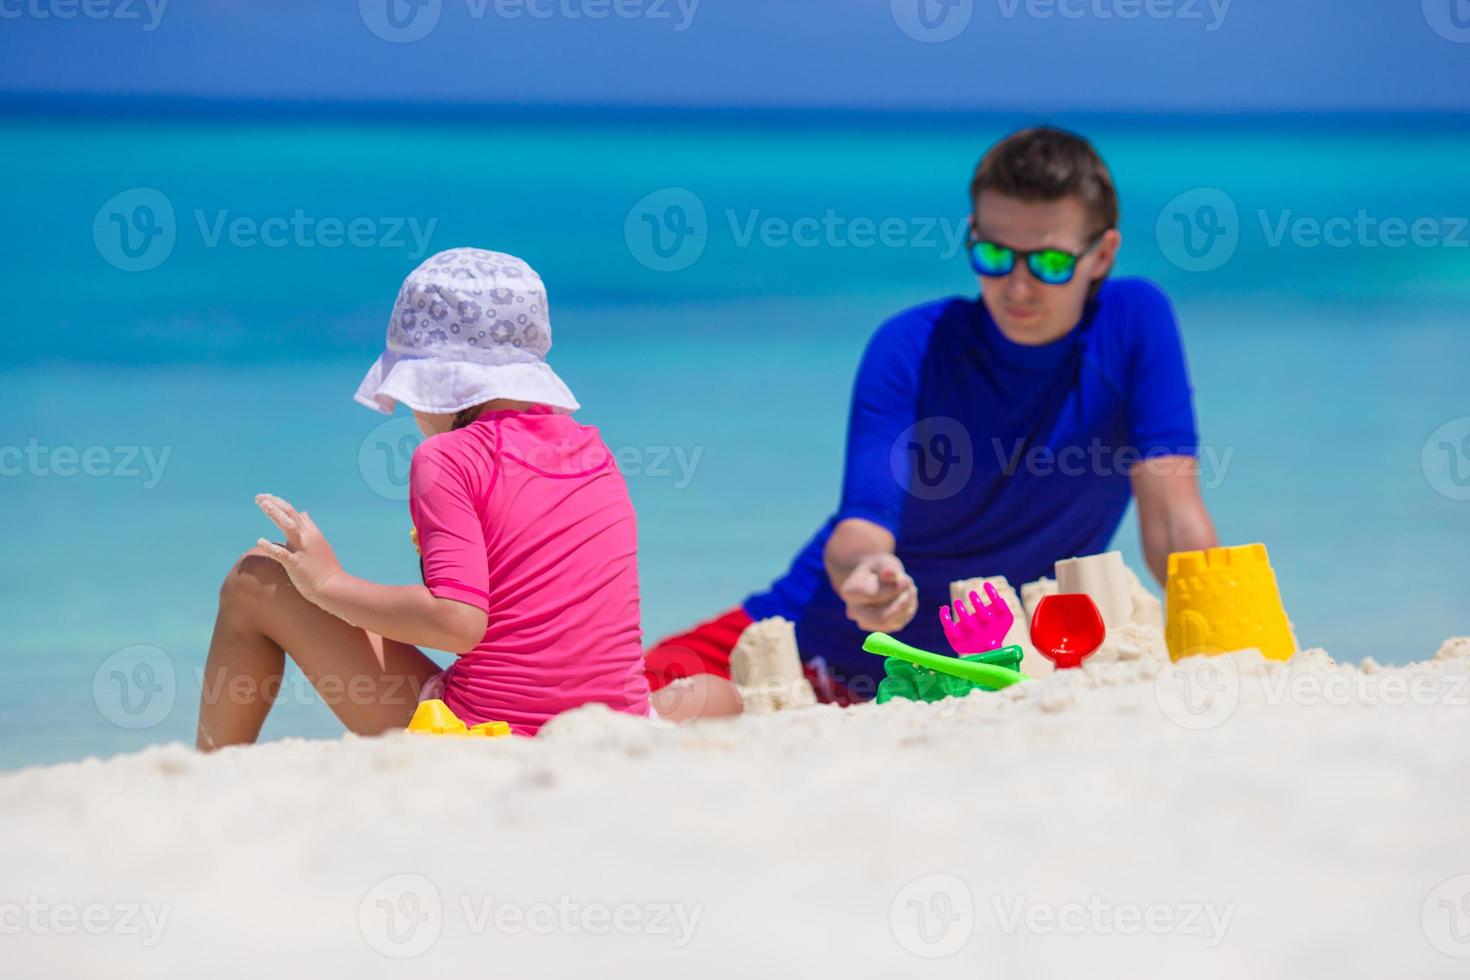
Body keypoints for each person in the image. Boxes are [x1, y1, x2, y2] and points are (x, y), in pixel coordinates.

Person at [645, 126, 1219, 719]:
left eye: (1049, 263)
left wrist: (1222, 637)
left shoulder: (1134, 325)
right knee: (637, 692)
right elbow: (861, 527)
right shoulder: (911, 347)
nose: (1018, 286)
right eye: (994, 256)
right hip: (818, 643)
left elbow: (1174, 521)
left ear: (1101, 255)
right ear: (973, 237)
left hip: (984, 671)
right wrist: (868, 576)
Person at [196, 248, 649, 748]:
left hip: (487, 731)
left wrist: (327, 583)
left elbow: (458, 624)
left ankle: (206, 770)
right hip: (616, 720)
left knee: (256, 579)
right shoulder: (593, 450)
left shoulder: (448, 457)